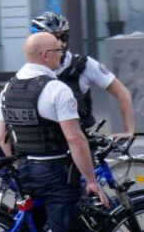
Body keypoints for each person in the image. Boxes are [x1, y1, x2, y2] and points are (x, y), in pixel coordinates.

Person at [0, 32, 123, 232]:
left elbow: (2, 137)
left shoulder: (9, 88)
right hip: (55, 173)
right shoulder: (56, 90)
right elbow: (76, 141)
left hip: (25, 170)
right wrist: (90, 180)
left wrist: (18, 165)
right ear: (44, 56)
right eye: (57, 49)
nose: (62, 53)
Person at [30, 11, 135, 139]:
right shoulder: (30, 70)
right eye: (55, 38)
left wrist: (129, 131)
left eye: (64, 37)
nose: (61, 43)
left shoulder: (83, 65)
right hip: (45, 142)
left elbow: (122, 92)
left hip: (79, 137)